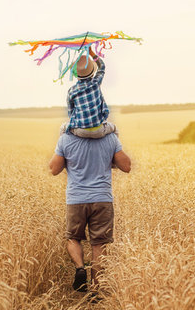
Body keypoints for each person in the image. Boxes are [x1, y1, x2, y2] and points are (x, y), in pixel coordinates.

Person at [49, 129, 131, 297]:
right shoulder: (110, 138)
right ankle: (96, 287)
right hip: (102, 199)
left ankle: (80, 268)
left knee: (73, 238)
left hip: (76, 199)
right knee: (99, 243)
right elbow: (126, 166)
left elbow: (54, 169)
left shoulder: (66, 138)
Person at [61, 48, 117, 139]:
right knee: (114, 129)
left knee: (63, 128)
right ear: (92, 73)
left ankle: (65, 151)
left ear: (76, 75)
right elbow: (102, 66)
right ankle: (113, 151)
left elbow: (70, 113)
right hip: (99, 130)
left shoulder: (72, 91)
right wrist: (91, 52)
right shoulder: (95, 83)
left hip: (81, 131)